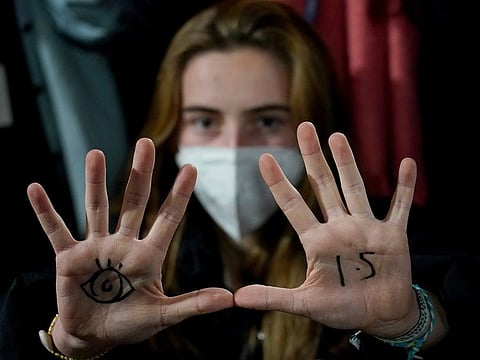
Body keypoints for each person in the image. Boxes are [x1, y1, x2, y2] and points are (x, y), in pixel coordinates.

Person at [1, 0, 477, 359]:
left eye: (267, 120)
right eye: (206, 121)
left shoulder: (389, 247)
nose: (232, 147)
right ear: (171, 130)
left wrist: (408, 324)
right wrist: (70, 345)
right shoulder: (108, 269)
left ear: (313, 121)